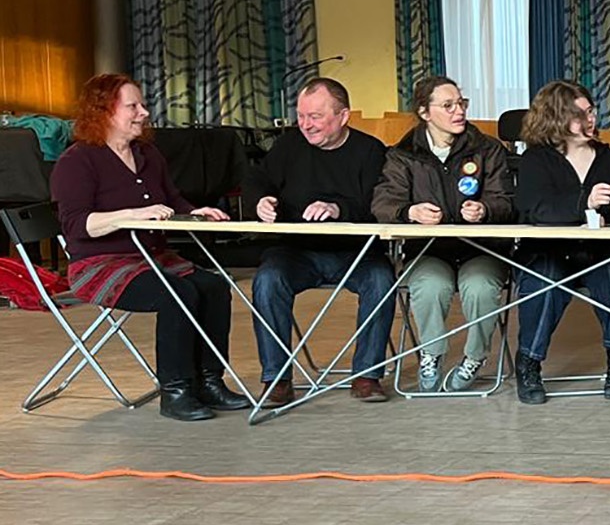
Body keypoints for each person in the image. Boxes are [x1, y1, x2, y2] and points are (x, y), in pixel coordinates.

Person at [48, 75, 247, 421]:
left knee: (214, 287)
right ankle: (176, 390)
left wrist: (193, 211)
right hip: (99, 265)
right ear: (104, 113)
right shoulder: (77, 161)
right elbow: (77, 225)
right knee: (178, 294)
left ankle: (209, 381)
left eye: (142, 105)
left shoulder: (148, 154)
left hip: (152, 258)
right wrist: (131, 215)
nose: (144, 112)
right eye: (133, 106)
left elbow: (172, 200)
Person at [246, 77, 397, 404]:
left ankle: (368, 376)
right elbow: (257, 180)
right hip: (295, 251)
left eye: (315, 116)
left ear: (343, 116)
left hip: (356, 253)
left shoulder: (370, 151)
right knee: (268, 280)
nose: (305, 125)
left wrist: (337, 208)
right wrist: (261, 200)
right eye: (301, 116)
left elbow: (380, 206)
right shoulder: (288, 146)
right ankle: (277, 378)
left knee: (382, 279)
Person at [371, 75, 513, 393]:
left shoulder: (488, 149)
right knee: (430, 286)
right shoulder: (403, 154)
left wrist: (485, 210)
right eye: (448, 105)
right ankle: (431, 354)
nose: (458, 111)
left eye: (461, 103)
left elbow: (506, 201)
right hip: (428, 249)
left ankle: (475, 357)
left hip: (482, 248)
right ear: (424, 112)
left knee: (479, 288)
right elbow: (383, 203)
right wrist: (410, 212)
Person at [511, 79, 610, 404]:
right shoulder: (534, 160)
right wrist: (585, 202)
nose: (590, 119)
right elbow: (536, 210)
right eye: (580, 114)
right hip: (547, 252)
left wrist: (609, 218)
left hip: (598, 251)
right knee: (545, 278)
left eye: (591, 111)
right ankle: (528, 362)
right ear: (556, 118)